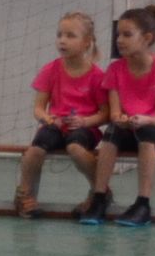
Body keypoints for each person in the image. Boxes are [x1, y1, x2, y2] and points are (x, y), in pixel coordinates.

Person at [12, 11, 112, 221]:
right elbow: (39, 108)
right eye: (59, 35)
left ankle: (99, 191)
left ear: (87, 42)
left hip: (85, 128)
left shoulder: (97, 76)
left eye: (70, 35)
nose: (62, 41)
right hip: (56, 125)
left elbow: (105, 114)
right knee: (34, 150)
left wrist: (84, 121)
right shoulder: (51, 70)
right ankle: (24, 195)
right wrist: (49, 119)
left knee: (75, 148)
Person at [101, 5, 155, 226]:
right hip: (126, 128)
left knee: (146, 134)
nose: (119, 40)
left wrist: (144, 119)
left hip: (152, 127)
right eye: (118, 35)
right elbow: (115, 113)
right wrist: (121, 119)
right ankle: (98, 196)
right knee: (111, 133)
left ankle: (143, 203)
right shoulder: (115, 69)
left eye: (127, 35)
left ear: (147, 38)